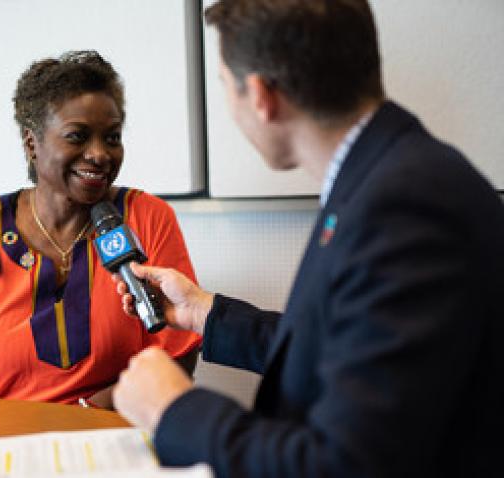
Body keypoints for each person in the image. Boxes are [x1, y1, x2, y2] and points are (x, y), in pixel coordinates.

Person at [112, 1, 504, 476]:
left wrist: (174, 411)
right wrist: (205, 312)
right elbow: (349, 345)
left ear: (260, 95)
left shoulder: (404, 205)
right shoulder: (379, 174)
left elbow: (344, 466)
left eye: (225, 87)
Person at [0, 50, 201, 407]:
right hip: (2, 446)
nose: (100, 154)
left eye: (112, 137)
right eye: (77, 136)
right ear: (32, 144)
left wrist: (85, 417)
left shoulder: (147, 217)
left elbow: (175, 359)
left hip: (113, 440)